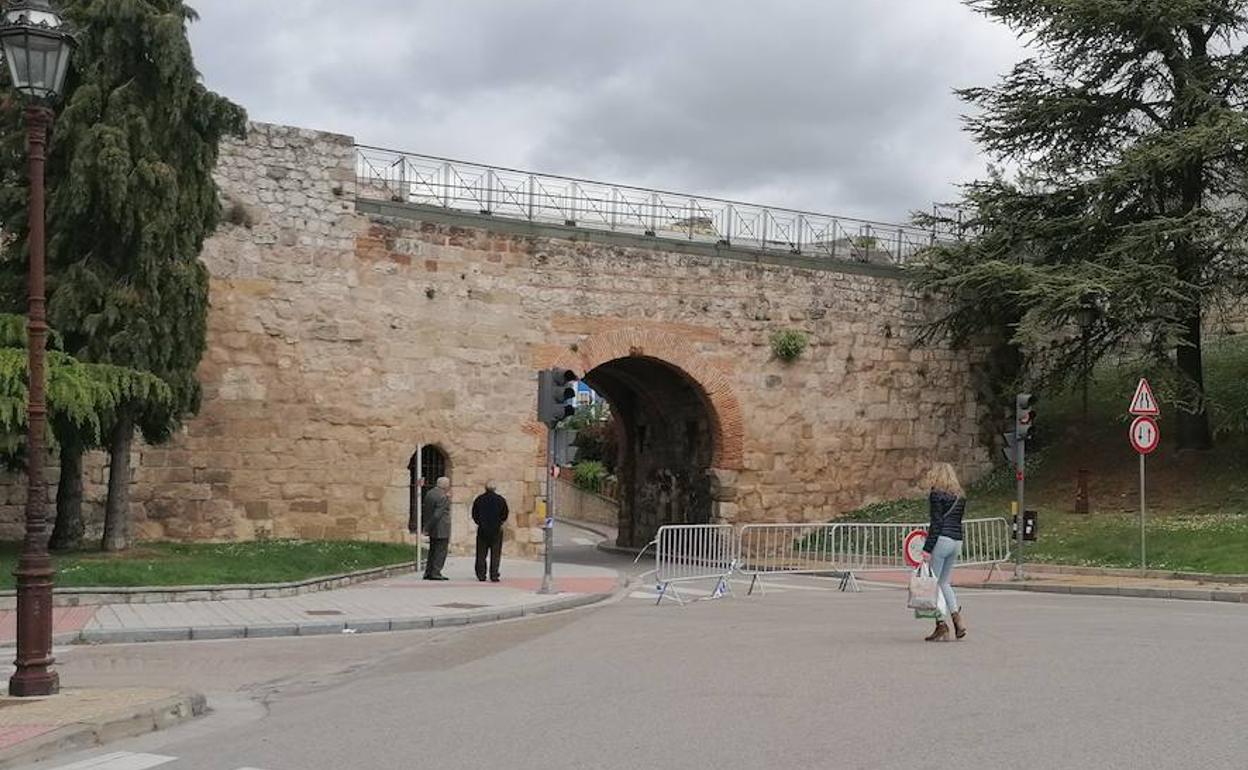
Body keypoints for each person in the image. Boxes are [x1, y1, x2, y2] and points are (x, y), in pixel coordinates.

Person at [920, 463, 967, 642]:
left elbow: (937, 523)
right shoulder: (960, 496)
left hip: (942, 540)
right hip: (956, 541)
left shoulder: (936, 495)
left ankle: (941, 624)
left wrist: (927, 548)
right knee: (945, 582)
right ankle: (957, 619)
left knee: (933, 585)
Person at [471, 481, 509, 582]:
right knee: (495, 554)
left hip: (482, 529)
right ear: (494, 489)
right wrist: (500, 522)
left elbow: (474, 513)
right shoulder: (500, 500)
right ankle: (494, 574)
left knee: (481, 553)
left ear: (485, 488)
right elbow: (505, 514)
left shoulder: (479, 499)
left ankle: (481, 574)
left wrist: (479, 522)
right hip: (496, 530)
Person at [421, 477, 452, 581]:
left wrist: (427, 526)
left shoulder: (430, 493)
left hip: (433, 527)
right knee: (441, 551)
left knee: (432, 550)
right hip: (441, 527)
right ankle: (436, 572)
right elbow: (437, 514)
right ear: (444, 485)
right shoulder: (443, 497)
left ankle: (428, 572)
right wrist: (427, 527)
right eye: (448, 484)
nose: (449, 486)